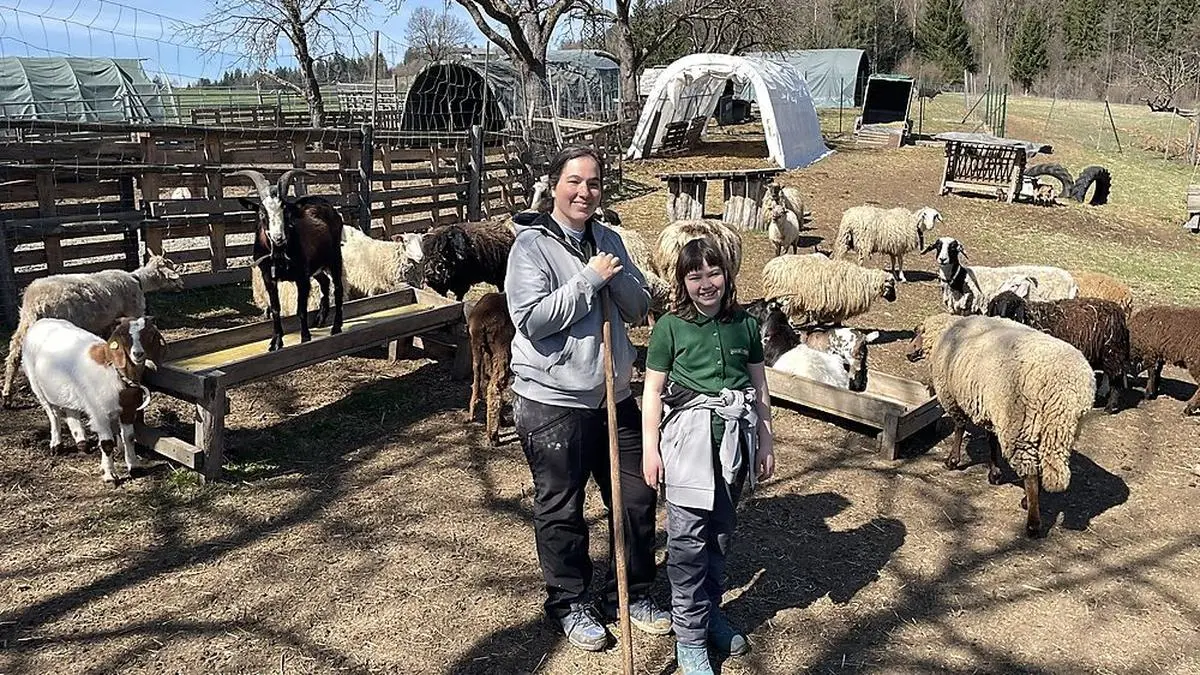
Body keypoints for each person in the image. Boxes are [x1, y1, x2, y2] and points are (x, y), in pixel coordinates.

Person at [504, 146, 670, 652]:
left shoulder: (610, 238)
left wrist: (616, 280)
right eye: (575, 181)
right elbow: (531, 320)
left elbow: (642, 305)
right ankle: (569, 602)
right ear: (554, 186)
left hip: (613, 395)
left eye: (594, 183)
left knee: (637, 496)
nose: (585, 192)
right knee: (562, 506)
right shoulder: (531, 247)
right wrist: (588, 280)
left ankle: (634, 592)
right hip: (553, 401)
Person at [641, 238, 776, 674]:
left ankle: (711, 612)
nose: (705, 283)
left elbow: (760, 387)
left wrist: (767, 441)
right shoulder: (669, 326)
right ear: (682, 281)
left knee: (720, 532)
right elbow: (653, 391)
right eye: (694, 275)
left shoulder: (745, 325)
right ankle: (690, 637)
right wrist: (649, 450)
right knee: (687, 540)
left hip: (733, 445)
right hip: (688, 445)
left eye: (713, 273)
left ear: (728, 275)